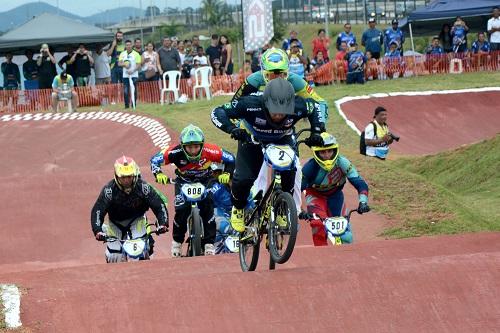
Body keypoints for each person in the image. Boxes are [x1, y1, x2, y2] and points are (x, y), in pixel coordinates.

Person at [211, 78, 326, 232]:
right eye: (275, 111)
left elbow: (316, 107)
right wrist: (232, 129)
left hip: (283, 138)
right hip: (253, 139)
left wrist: (317, 131)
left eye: (283, 111)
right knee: (244, 179)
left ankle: (283, 207)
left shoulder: (299, 105)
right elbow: (218, 112)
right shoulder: (249, 104)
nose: (279, 115)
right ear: (265, 104)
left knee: (289, 170)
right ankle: (238, 208)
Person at [150, 124, 235, 257]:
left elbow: (230, 158)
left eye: (196, 146)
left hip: (206, 180)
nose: (193, 150)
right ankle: (177, 242)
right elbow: (155, 160)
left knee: (208, 206)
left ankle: (209, 244)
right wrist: (158, 174)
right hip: (183, 181)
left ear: (202, 145)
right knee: (181, 209)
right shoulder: (174, 152)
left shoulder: (211, 150)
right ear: (183, 147)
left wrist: (227, 173)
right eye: (189, 147)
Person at [91, 156, 169, 263]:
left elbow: (159, 205)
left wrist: (163, 223)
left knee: (138, 252)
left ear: (134, 175)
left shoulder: (143, 187)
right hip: (115, 223)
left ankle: (147, 259)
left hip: (137, 219)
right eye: (123, 177)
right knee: (114, 256)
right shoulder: (108, 191)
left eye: (129, 177)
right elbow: (97, 211)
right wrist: (98, 230)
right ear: (116, 176)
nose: (126, 180)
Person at [301, 133, 370, 246]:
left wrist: (363, 202)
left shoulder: (343, 162)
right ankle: (322, 254)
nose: (327, 155)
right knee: (317, 224)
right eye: (323, 152)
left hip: (336, 196)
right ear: (316, 153)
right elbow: (296, 190)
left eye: (330, 151)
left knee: (345, 234)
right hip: (315, 196)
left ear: (335, 150)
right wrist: (299, 211)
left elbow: (360, 183)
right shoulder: (309, 168)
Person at [232, 47, 329, 121]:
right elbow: (234, 104)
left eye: (281, 73)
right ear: (263, 72)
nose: (277, 77)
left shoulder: (295, 80)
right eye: (272, 73)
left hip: (283, 124)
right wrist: (238, 126)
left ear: (287, 71)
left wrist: (319, 129)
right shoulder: (253, 80)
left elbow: (320, 102)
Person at [118, 40, 141, 109]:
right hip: (125, 75)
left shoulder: (136, 54)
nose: (128, 46)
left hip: (134, 75)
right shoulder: (122, 54)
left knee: (133, 90)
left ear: (132, 45)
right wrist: (124, 64)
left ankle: (133, 104)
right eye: (127, 45)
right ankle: (126, 106)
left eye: (129, 45)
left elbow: (138, 65)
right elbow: (119, 63)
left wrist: (133, 70)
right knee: (125, 90)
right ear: (125, 46)